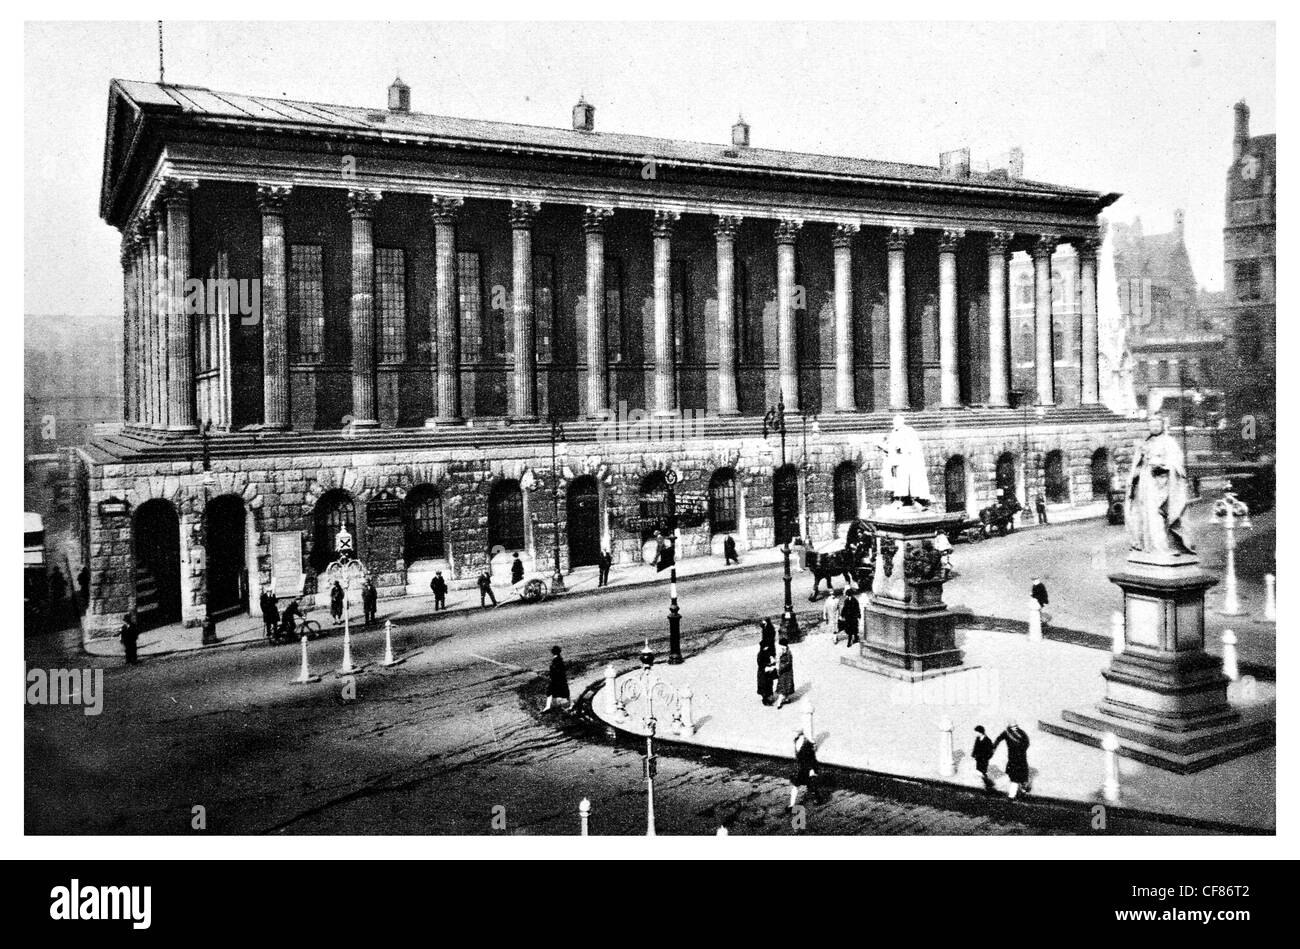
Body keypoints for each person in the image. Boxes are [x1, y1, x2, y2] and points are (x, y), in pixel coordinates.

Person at [1126, 413, 1195, 556]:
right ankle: (1150, 546)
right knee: (1148, 515)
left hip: (1163, 483)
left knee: (1161, 515)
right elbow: (1137, 465)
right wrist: (1133, 478)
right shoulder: (1146, 442)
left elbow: (1177, 463)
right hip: (1146, 483)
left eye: (1157, 425)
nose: (1154, 428)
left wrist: (1163, 464)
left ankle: (1165, 546)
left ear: (1162, 426)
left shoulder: (1169, 442)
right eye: (1151, 425)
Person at [875, 414, 932, 507]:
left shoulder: (908, 431)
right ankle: (901, 499)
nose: (894, 424)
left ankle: (908, 499)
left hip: (906, 461)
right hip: (897, 462)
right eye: (894, 422)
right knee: (898, 480)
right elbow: (891, 448)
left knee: (905, 480)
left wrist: (902, 448)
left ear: (901, 422)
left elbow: (912, 446)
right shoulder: (894, 433)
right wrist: (882, 446)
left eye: (896, 422)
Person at [993, 720, 1033, 798]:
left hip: (1015, 757)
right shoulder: (1021, 732)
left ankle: (1013, 794)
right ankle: (1023, 789)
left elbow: (998, 739)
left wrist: (994, 747)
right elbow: (1027, 743)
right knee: (1019, 776)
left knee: (1014, 777)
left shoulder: (1007, 732)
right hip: (1019, 757)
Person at [789, 729, 824, 810]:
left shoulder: (807, 743)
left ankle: (818, 799)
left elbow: (811, 758)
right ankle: (791, 805)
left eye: (794, 732)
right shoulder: (796, 740)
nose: (793, 734)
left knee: (811, 785)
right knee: (796, 786)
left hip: (808, 767)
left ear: (800, 734)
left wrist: (811, 769)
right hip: (801, 768)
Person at [543, 645, 570, 712]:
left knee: (549, 692)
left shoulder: (556, 660)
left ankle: (548, 707)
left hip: (556, 680)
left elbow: (554, 671)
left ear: (553, 652)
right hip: (561, 679)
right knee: (565, 692)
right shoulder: (560, 659)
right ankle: (570, 705)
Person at [972, 725, 995, 790]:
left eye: (976, 732)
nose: (975, 733)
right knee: (979, 771)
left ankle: (988, 784)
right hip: (978, 759)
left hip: (984, 759)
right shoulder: (978, 738)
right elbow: (975, 747)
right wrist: (973, 755)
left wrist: (987, 757)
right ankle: (987, 784)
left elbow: (990, 751)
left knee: (982, 772)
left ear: (980, 732)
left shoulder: (987, 740)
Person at [774, 641, 795, 708]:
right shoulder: (785, 651)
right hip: (785, 673)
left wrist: (780, 668)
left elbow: (788, 663)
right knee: (784, 686)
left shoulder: (787, 653)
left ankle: (780, 702)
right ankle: (785, 699)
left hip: (786, 673)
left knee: (783, 687)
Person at [756, 640, 777, 706]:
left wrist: (772, 662)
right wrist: (768, 664)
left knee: (769, 685)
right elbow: (760, 663)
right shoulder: (760, 654)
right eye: (765, 647)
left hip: (768, 672)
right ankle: (765, 700)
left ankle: (769, 698)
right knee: (764, 686)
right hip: (763, 673)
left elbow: (771, 659)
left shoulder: (767, 652)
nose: (766, 648)